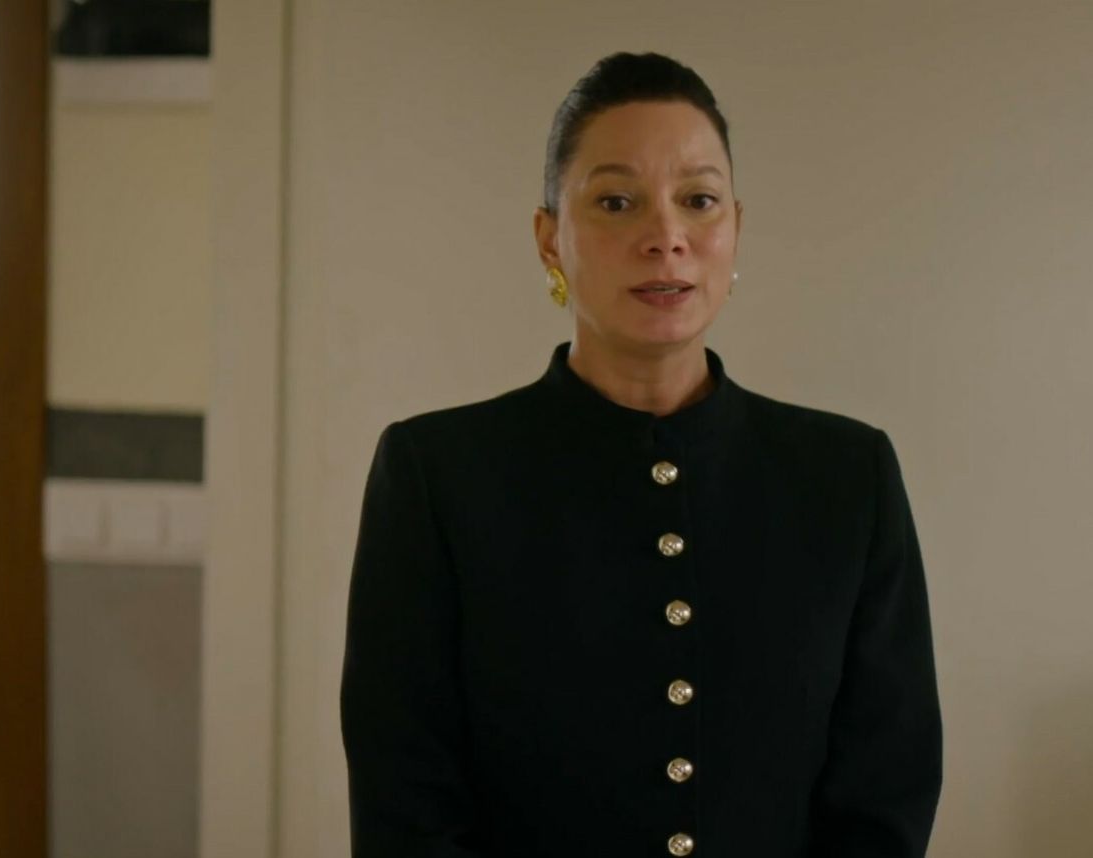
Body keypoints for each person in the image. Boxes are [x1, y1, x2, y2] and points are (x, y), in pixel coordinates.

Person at [339, 51, 942, 858]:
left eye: (699, 200)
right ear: (550, 240)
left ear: (735, 229)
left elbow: (885, 795)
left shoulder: (846, 477)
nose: (666, 238)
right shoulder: (436, 474)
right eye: (617, 202)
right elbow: (405, 806)